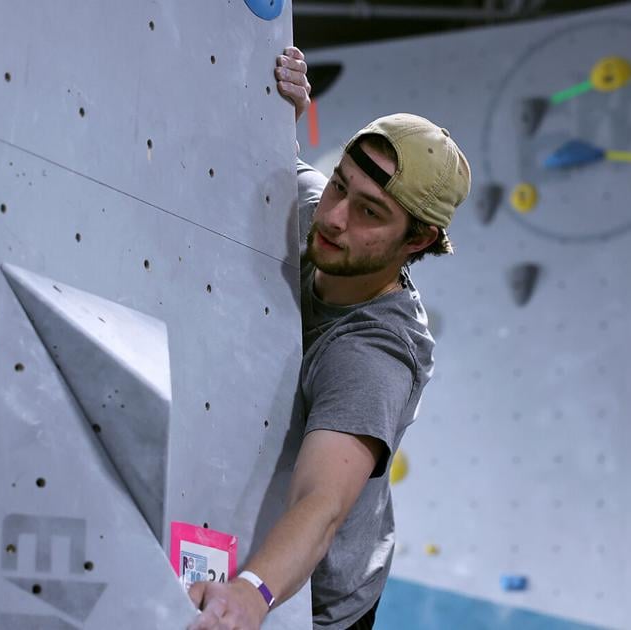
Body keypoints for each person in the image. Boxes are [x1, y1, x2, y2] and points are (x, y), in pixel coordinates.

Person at [187, 48, 472, 630]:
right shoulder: (322, 213)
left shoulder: (374, 353)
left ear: (417, 241)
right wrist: (274, 112)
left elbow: (322, 505)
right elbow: (286, 166)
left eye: (369, 212)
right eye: (341, 184)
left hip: (319, 604)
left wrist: (248, 595)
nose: (336, 217)